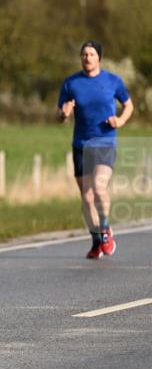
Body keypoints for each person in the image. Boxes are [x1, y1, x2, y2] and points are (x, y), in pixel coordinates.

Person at [57, 40, 134, 259]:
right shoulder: (71, 84)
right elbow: (60, 116)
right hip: (81, 144)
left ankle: (106, 230)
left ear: (99, 57)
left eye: (91, 54)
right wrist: (64, 113)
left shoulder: (112, 81)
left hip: (105, 142)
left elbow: (129, 105)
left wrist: (120, 121)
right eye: (84, 54)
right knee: (87, 198)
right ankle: (96, 239)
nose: (87, 58)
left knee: (100, 188)